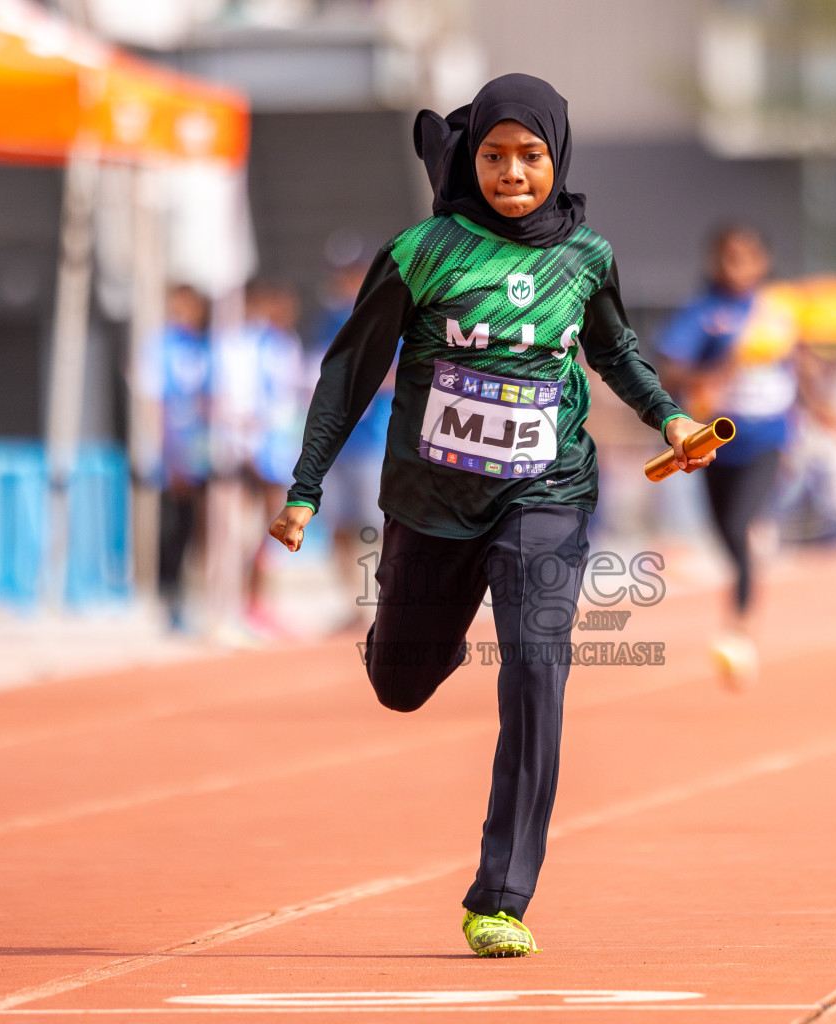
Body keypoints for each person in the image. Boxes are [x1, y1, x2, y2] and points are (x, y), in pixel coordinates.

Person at [267, 74, 712, 957]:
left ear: (558, 159)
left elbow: (614, 348)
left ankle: (501, 895)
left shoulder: (585, 256)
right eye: (496, 156)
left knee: (537, 670)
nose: (514, 172)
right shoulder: (421, 252)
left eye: (532, 156)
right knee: (400, 683)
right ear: (473, 160)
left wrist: (669, 415)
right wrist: (305, 488)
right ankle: (429, 605)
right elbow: (347, 373)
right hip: (432, 505)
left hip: (546, 494)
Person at [658, 225, 795, 687]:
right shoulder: (702, 313)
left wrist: (829, 413)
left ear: (763, 262)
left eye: (747, 257)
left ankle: (738, 630)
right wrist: (723, 367)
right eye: (729, 257)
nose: (738, 266)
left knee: (738, 528)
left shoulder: (777, 313)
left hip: (767, 440)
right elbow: (671, 367)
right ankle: (747, 576)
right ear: (715, 262)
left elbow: (798, 365)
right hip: (713, 443)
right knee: (725, 536)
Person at [219, 278, 308, 636]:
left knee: (271, 529)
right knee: (237, 529)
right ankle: (232, 604)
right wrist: (248, 447)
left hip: (277, 451)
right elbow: (239, 401)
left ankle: (256, 603)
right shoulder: (244, 345)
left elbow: (290, 401)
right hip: (250, 454)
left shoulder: (285, 344)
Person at [314, 259, 392, 632]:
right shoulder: (330, 321)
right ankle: (354, 604)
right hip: (338, 442)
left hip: (372, 439)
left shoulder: (386, 313)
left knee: (377, 526)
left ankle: (385, 602)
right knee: (340, 526)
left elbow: (401, 371)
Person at [143, 284, 212, 631]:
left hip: (200, 447)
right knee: (173, 523)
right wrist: (169, 454)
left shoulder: (202, 346)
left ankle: (193, 594)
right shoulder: (161, 346)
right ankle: (167, 594)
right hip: (174, 448)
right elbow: (155, 403)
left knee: (197, 525)